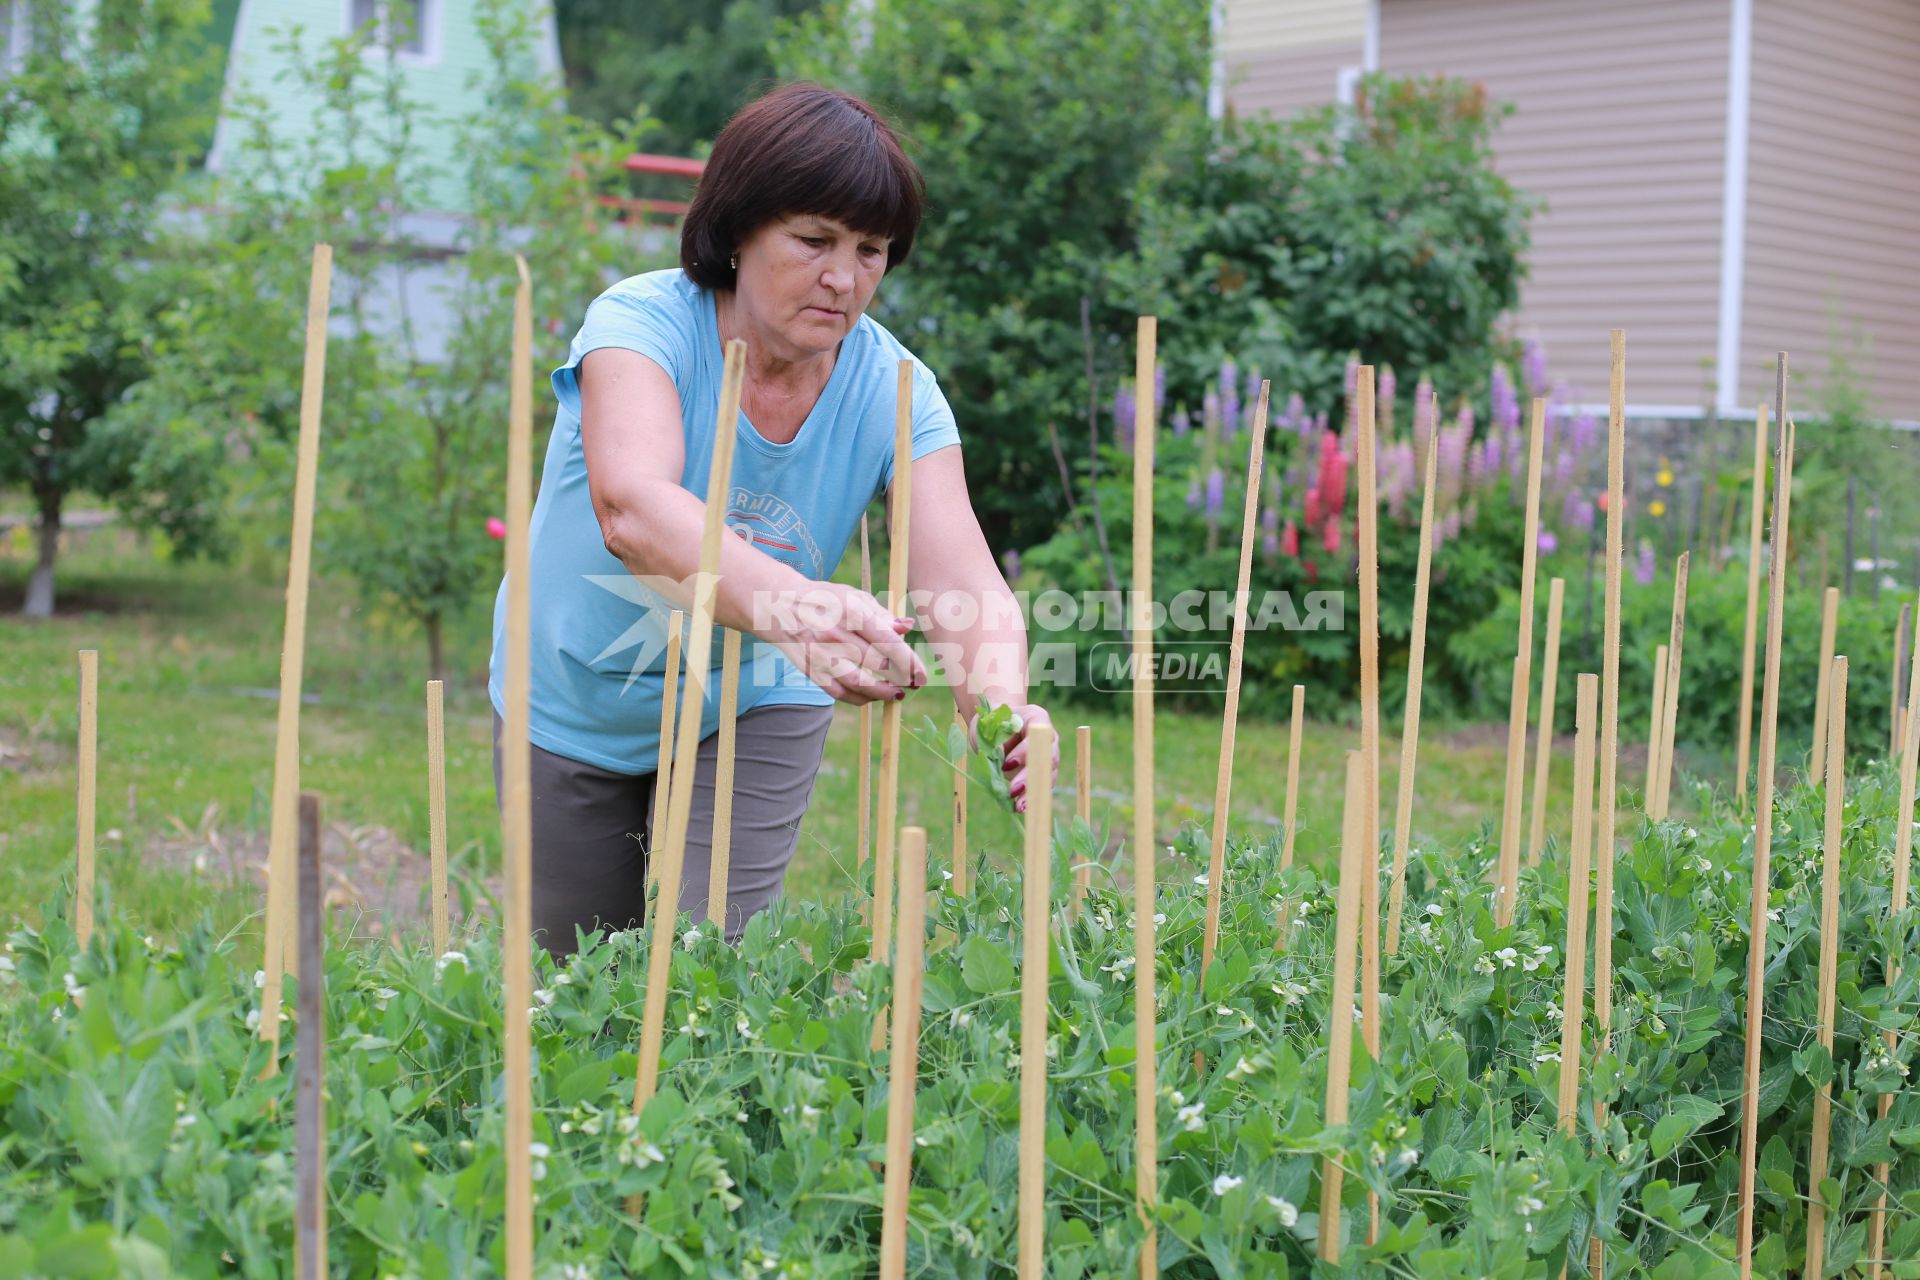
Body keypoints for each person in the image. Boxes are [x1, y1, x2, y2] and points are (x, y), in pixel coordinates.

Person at [487, 83, 1056, 955]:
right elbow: (632, 511)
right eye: (814, 239)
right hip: (576, 692)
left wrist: (1007, 717)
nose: (845, 277)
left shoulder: (896, 390)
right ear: (739, 227)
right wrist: (802, 606)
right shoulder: (640, 328)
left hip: (754, 694)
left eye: (872, 249)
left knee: (705, 974)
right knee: (571, 991)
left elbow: (963, 582)